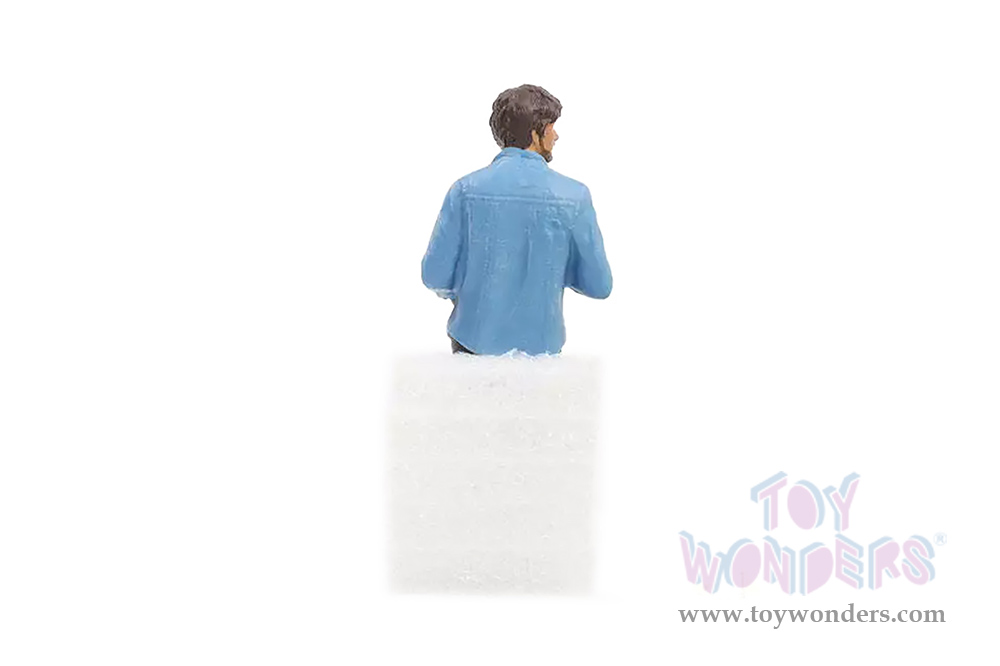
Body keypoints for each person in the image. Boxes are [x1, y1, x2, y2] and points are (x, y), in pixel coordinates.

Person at [421, 84, 612, 355]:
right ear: (535, 133)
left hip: (472, 346)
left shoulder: (464, 190)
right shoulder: (574, 196)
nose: (556, 135)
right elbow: (599, 284)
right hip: (542, 352)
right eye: (552, 127)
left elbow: (434, 275)